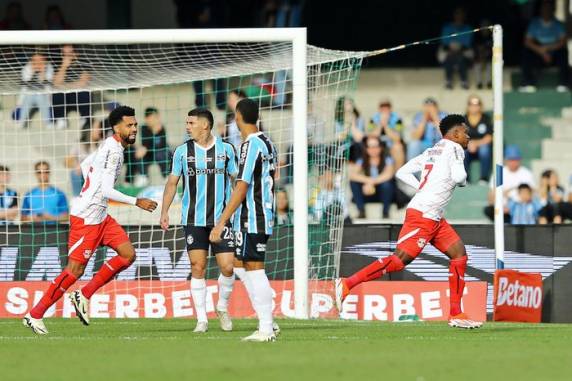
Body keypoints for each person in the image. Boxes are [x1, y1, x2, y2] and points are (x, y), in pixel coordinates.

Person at [336, 114, 483, 329]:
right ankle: (347, 284)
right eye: (466, 132)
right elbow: (460, 179)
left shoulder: (432, 150)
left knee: (459, 254)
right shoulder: (455, 148)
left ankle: (456, 313)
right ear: (456, 133)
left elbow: (402, 172)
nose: (469, 137)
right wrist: (458, 176)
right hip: (423, 215)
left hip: (433, 216)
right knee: (399, 260)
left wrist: (421, 188)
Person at [23, 106, 158, 335]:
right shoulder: (113, 151)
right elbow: (106, 190)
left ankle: (83, 294)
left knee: (128, 255)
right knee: (74, 271)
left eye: (135, 124)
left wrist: (91, 187)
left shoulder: (110, 144)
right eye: (129, 125)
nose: (134, 129)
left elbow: (86, 166)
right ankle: (35, 314)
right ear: (117, 127)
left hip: (101, 216)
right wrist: (137, 201)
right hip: (86, 218)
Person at [160, 108, 238, 333]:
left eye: (191, 123)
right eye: (187, 122)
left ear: (205, 125)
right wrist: (164, 211)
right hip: (193, 219)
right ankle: (202, 319)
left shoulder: (226, 150)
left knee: (227, 266)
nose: (187, 126)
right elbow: (173, 183)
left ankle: (221, 307)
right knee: (198, 266)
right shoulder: (182, 152)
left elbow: (237, 180)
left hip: (221, 219)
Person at [210, 98, 279, 342]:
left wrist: (221, 222)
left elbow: (241, 188)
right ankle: (268, 317)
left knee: (254, 267)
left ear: (238, 117)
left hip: (253, 216)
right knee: (239, 264)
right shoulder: (268, 142)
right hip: (262, 214)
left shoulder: (249, 146)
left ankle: (267, 327)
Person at [520, 0, 569, 92]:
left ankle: (563, 84)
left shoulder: (558, 24)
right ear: (540, 10)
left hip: (554, 53)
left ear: (552, 10)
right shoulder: (534, 23)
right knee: (526, 52)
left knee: (563, 52)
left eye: (548, 8)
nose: (546, 10)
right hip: (538, 53)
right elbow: (527, 41)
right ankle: (528, 83)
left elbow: (563, 42)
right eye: (544, 8)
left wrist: (548, 49)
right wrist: (541, 51)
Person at [483, 145, 535, 221]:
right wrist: (500, 206)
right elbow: (491, 195)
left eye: (516, 159)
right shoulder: (499, 173)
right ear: (506, 160)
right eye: (511, 160)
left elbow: (533, 193)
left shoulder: (526, 173)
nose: (513, 162)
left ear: (520, 160)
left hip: (522, 207)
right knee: (489, 210)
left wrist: (515, 205)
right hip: (503, 209)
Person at [349, 137, 395, 219]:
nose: (373, 149)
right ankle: (361, 211)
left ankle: (385, 212)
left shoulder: (387, 159)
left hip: (382, 193)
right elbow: (352, 175)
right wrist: (368, 181)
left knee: (387, 185)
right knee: (353, 183)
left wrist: (371, 182)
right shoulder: (362, 160)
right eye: (369, 147)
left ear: (380, 147)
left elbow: (389, 174)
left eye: (375, 146)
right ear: (366, 148)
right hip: (367, 192)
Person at [125, 107, 171, 187]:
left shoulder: (161, 128)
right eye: (150, 118)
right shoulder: (143, 128)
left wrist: (155, 132)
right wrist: (142, 148)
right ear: (146, 118)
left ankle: (166, 176)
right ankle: (143, 177)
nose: (152, 120)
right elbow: (144, 143)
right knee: (138, 153)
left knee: (160, 154)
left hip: (160, 153)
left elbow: (161, 145)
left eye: (155, 117)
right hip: (148, 154)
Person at [52, 45, 92, 130]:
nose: (66, 56)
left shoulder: (84, 62)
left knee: (84, 92)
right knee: (56, 93)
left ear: (75, 53)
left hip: (78, 95)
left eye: (69, 53)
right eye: (64, 54)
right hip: (64, 96)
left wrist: (64, 86)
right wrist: (64, 66)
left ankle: (85, 119)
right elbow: (56, 83)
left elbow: (83, 82)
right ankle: (61, 119)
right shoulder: (58, 63)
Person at [65, 121, 104, 196]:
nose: (100, 130)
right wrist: (76, 165)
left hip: (98, 175)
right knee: (74, 172)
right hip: (83, 176)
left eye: (100, 128)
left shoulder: (102, 144)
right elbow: (67, 162)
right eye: (97, 128)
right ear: (89, 129)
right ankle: (77, 198)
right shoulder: (79, 145)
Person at [438, 7, 473, 89]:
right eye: (457, 13)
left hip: (463, 51)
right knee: (449, 57)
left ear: (464, 16)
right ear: (454, 15)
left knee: (460, 58)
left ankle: (464, 81)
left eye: (461, 14)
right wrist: (451, 49)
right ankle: (448, 80)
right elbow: (444, 41)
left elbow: (467, 43)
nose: (459, 16)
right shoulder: (447, 27)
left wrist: (458, 50)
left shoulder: (468, 28)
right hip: (449, 51)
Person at [17, 52, 54, 129]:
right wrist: (33, 71)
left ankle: (48, 123)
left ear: (44, 60)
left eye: (40, 60)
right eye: (35, 60)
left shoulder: (49, 67)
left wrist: (42, 71)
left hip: (43, 95)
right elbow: (26, 84)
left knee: (39, 96)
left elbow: (47, 84)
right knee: (30, 97)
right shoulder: (27, 68)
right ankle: (21, 122)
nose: (37, 63)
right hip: (28, 95)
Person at [464, 95, 493, 184]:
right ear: (468, 106)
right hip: (468, 147)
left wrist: (475, 144)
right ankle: (465, 178)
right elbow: (460, 137)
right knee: (461, 150)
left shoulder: (486, 118)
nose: (474, 107)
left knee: (484, 150)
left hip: (482, 146)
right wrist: (468, 144)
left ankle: (483, 178)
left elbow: (489, 137)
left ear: (480, 106)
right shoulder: (463, 119)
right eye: (471, 104)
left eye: (477, 104)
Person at [371, 99, 405, 168]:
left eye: (386, 109)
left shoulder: (398, 119)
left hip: (391, 144)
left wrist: (386, 125)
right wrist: (380, 124)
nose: (384, 112)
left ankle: (397, 174)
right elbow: (372, 137)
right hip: (378, 144)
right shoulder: (373, 119)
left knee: (398, 147)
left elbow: (397, 138)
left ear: (390, 110)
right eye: (382, 109)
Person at [473, 20, 492, 89]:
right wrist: (481, 58)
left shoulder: (492, 36)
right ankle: (479, 83)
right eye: (483, 26)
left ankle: (489, 83)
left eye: (486, 26)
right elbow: (477, 49)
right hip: (478, 57)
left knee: (489, 65)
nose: (485, 27)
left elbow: (491, 50)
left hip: (489, 58)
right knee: (477, 65)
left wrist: (485, 58)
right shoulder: (477, 36)